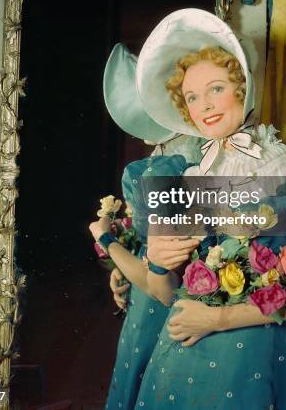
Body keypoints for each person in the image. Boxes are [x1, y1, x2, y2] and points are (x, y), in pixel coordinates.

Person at [129, 8, 286, 409]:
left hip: (254, 358)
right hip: (177, 357)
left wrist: (217, 319)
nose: (205, 105)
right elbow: (162, 295)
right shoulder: (183, 178)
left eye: (216, 89)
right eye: (192, 97)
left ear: (243, 88)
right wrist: (157, 264)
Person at [88, 43, 203, 410]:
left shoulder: (173, 164)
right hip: (149, 292)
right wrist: (121, 265)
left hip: (161, 302)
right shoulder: (167, 153)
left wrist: (107, 240)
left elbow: (162, 283)